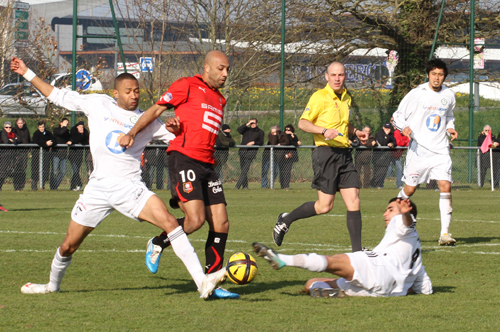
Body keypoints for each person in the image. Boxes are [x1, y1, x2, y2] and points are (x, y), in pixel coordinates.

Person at [11, 57, 226, 299]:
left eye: (137, 91)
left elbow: (180, 139)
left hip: (130, 187)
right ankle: (52, 286)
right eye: (128, 91)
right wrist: (26, 72)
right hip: (98, 188)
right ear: (116, 93)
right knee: (68, 245)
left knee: (170, 223)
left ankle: (202, 283)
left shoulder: (149, 121)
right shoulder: (98, 103)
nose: (134, 95)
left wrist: (176, 128)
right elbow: (56, 95)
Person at [118, 50, 238, 299]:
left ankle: (211, 282)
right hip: (184, 158)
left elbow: (198, 124)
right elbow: (155, 110)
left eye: (227, 69)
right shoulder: (187, 85)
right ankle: (158, 242)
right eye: (221, 69)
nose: (225, 74)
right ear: (207, 68)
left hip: (208, 164)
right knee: (195, 220)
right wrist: (132, 132)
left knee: (222, 223)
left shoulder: (220, 99)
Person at [272, 61, 367, 252]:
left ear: (345, 76)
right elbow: (303, 123)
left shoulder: (346, 97)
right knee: (325, 206)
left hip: (345, 153)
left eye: (341, 75)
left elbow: (342, 124)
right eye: (333, 75)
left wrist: (355, 131)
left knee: (354, 200)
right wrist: (323, 131)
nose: (337, 78)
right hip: (326, 154)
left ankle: (357, 253)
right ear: (326, 76)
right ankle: (286, 219)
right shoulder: (320, 96)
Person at [254, 198, 432, 298]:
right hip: (384, 289)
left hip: (378, 267)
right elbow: (426, 288)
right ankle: (341, 292)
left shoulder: (402, 224)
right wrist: (405, 288)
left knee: (333, 261)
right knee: (311, 284)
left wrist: (405, 212)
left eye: (390, 209)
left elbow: (407, 222)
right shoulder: (414, 249)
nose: (385, 214)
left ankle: (283, 260)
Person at [392, 58, 458, 246]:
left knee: (445, 186)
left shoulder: (449, 95)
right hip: (419, 150)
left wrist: (450, 128)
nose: (437, 78)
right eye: (434, 74)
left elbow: (449, 117)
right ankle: (395, 213)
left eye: (440, 75)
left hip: (440, 150)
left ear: (444, 76)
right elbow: (397, 115)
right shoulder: (417, 94)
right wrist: (403, 127)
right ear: (428, 75)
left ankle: (445, 234)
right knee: (410, 190)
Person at [235, 118, 265, 189]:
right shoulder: (246, 130)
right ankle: (245, 186)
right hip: (242, 151)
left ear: (257, 124)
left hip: (251, 152)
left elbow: (261, 142)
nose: (252, 124)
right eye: (251, 123)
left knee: (245, 170)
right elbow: (239, 130)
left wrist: (254, 142)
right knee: (243, 170)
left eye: (254, 123)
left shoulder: (260, 132)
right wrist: (247, 124)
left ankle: (237, 186)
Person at [370, 123, 396, 189]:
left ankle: (379, 184)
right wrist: (386, 135)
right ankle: (373, 184)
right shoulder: (379, 134)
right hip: (378, 155)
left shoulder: (391, 134)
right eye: (386, 128)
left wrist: (392, 143)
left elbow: (395, 142)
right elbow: (383, 143)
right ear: (383, 128)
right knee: (378, 172)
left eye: (389, 128)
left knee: (383, 171)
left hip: (386, 156)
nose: (387, 129)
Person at [31, 121, 54, 191]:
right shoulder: (36, 134)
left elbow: (54, 140)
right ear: (38, 127)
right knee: (35, 169)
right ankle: (34, 186)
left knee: (45, 169)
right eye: (40, 127)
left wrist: (51, 143)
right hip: (36, 154)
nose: (42, 128)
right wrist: (45, 143)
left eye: (43, 127)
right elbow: (37, 141)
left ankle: (42, 185)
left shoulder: (48, 133)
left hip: (46, 154)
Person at [277, 124, 301, 189]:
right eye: (286, 129)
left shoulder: (293, 136)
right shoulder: (282, 136)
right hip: (281, 156)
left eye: (289, 129)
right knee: (282, 171)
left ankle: (286, 186)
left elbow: (298, 143)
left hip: (290, 156)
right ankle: (282, 186)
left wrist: (293, 136)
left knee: (287, 171)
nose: (287, 131)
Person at [51, 118, 72, 190]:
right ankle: (52, 185)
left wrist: (70, 141)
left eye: (67, 122)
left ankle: (55, 185)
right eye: (65, 122)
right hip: (56, 153)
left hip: (63, 154)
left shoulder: (66, 131)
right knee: (55, 171)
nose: (66, 123)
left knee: (63, 172)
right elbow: (61, 133)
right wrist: (64, 127)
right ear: (61, 123)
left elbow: (70, 137)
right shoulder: (56, 130)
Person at [69, 121, 89, 191]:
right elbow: (74, 140)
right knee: (75, 170)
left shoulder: (84, 133)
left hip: (79, 155)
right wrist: (80, 135)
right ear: (77, 127)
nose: (81, 128)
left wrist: (82, 135)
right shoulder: (73, 132)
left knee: (76, 171)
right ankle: (80, 184)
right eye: (80, 127)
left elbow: (85, 142)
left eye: (82, 127)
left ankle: (72, 186)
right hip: (72, 155)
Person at [12, 117, 31, 191]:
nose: (20, 125)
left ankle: (21, 186)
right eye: (18, 123)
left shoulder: (26, 130)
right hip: (16, 152)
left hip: (24, 152)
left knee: (23, 169)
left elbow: (28, 139)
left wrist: (29, 149)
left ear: (23, 123)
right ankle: (16, 186)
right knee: (16, 169)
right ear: (16, 123)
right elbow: (12, 139)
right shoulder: (14, 130)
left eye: (21, 123)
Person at [392, 118, 410, 189]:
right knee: (383, 170)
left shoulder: (406, 133)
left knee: (399, 169)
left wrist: (404, 142)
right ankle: (377, 184)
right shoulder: (396, 132)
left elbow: (408, 142)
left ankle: (399, 184)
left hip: (398, 155)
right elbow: (398, 143)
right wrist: (404, 142)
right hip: (391, 154)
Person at [0, 121, 18, 190]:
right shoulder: (3, 133)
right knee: (2, 171)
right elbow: (6, 142)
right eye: (6, 127)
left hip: (11, 154)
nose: (8, 128)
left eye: (10, 127)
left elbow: (18, 140)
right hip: (3, 154)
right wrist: (13, 140)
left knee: (6, 172)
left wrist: (12, 139)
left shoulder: (13, 132)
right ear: (4, 128)